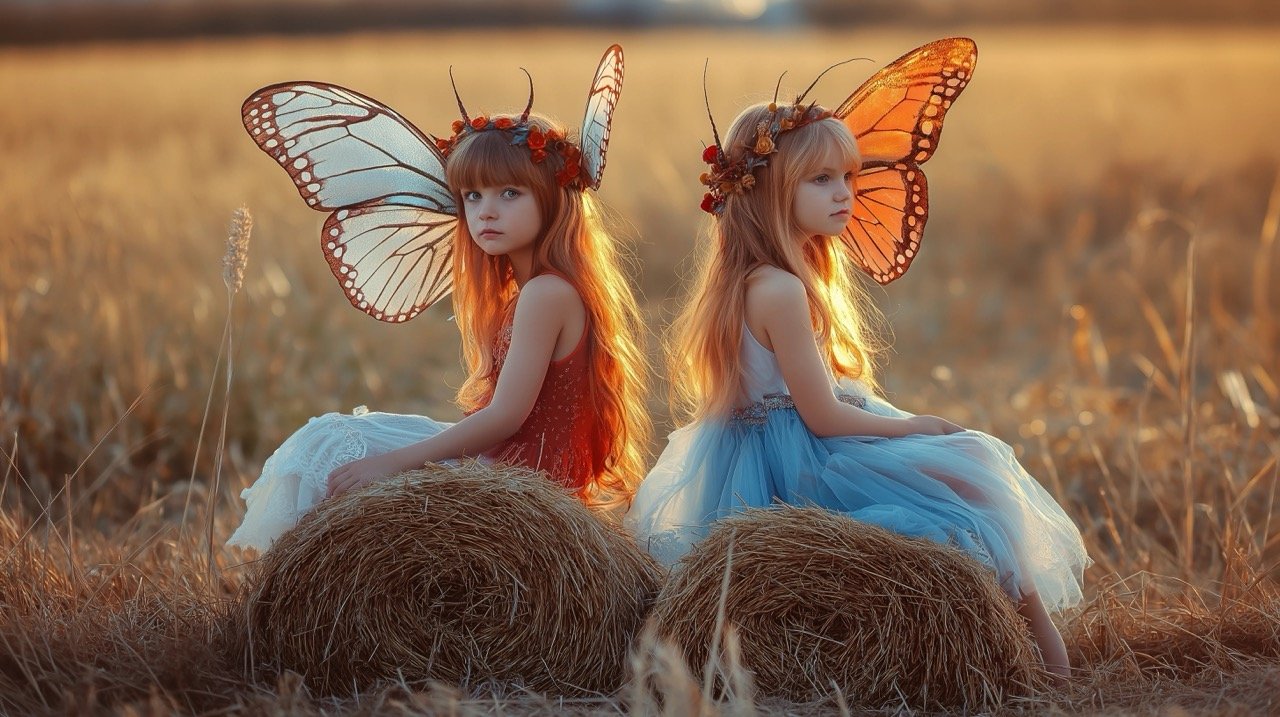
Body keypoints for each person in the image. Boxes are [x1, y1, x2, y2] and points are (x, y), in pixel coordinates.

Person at [626, 51, 1089, 678]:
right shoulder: (780, 290)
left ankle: (1026, 653)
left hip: (763, 448)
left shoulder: (758, 279)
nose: (845, 193)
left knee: (967, 478)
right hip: (795, 462)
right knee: (975, 473)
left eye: (848, 175)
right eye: (821, 181)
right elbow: (821, 417)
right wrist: (917, 426)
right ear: (767, 190)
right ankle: (1050, 665)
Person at [229, 46, 648, 553]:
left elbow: (506, 418)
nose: (485, 212)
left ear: (553, 198)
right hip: (511, 468)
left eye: (509, 194)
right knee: (336, 440)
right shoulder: (532, 290)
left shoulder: (547, 293)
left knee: (335, 441)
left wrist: (391, 462)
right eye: (472, 196)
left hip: (524, 480)